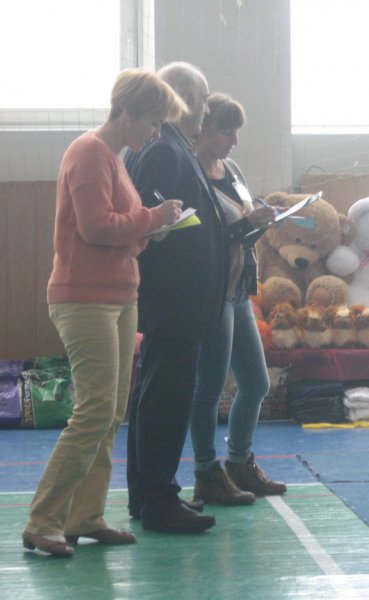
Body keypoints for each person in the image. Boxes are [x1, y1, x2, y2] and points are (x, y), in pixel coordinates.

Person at [23, 69, 185, 557]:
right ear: (128, 112)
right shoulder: (90, 151)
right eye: (154, 123)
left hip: (117, 294)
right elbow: (95, 228)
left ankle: (85, 515)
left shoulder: (114, 157)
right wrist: (154, 219)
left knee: (112, 412)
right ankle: (43, 520)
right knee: (93, 411)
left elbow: (118, 233)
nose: (156, 134)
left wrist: (149, 231)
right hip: (83, 297)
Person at [124, 62, 228, 534]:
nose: (205, 112)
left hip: (175, 300)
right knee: (166, 398)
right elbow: (147, 219)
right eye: (203, 101)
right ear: (182, 99)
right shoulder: (165, 149)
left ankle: (148, 495)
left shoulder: (170, 147)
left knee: (156, 395)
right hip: (174, 299)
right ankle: (158, 497)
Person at [190, 92, 286, 504]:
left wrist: (261, 220)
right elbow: (201, 238)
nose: (234, 140)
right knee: (210, 387)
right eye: (226, 131)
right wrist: (247, 223)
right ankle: (205, 470)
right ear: (204, 129)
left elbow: (242, 230)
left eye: (237, 131)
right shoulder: (191, 172)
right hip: (212, 288)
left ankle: (238, 462)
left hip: (239, 287)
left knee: (256, 382)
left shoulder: (231, 169)